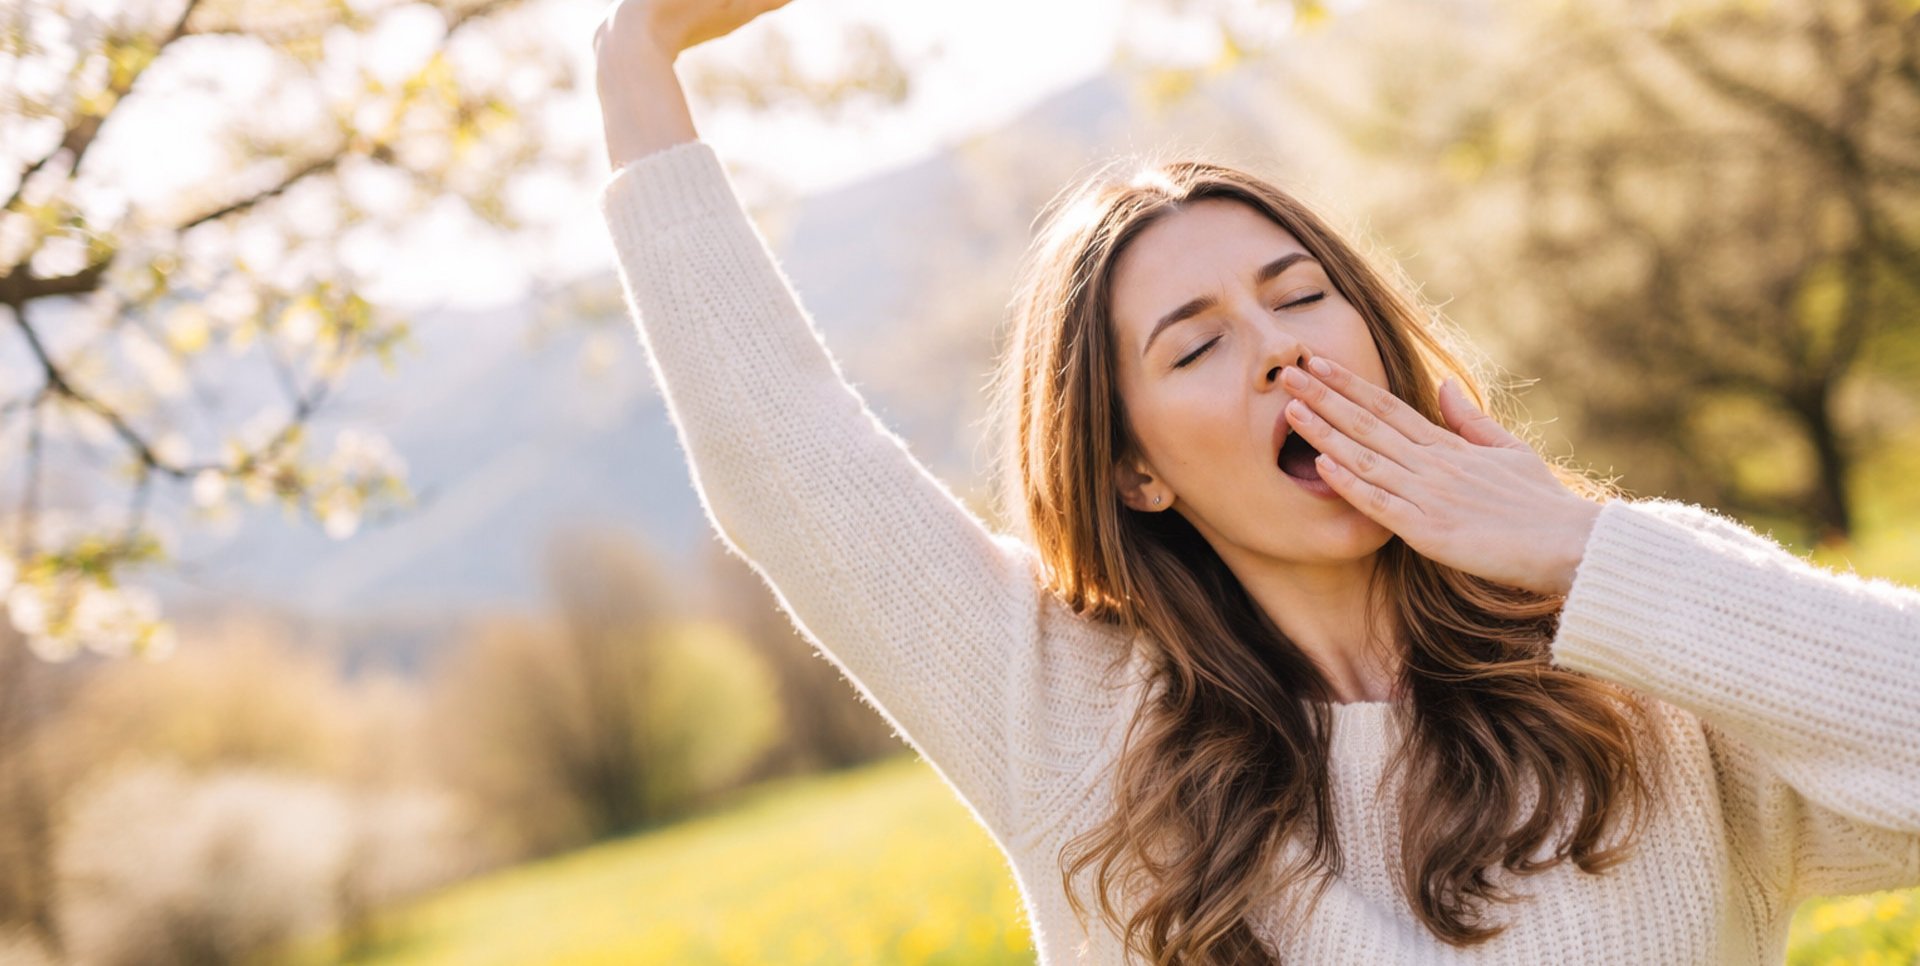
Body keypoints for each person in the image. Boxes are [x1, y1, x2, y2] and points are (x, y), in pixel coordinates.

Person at [590, 1, 1920, 962]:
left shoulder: (1645, 651)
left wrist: (1587, 554)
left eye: (1301, 294)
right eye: (1199, 342)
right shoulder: (1066, 717)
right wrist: (634, 51)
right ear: (1135, 468)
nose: (1280, 340)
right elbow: (783, 451)